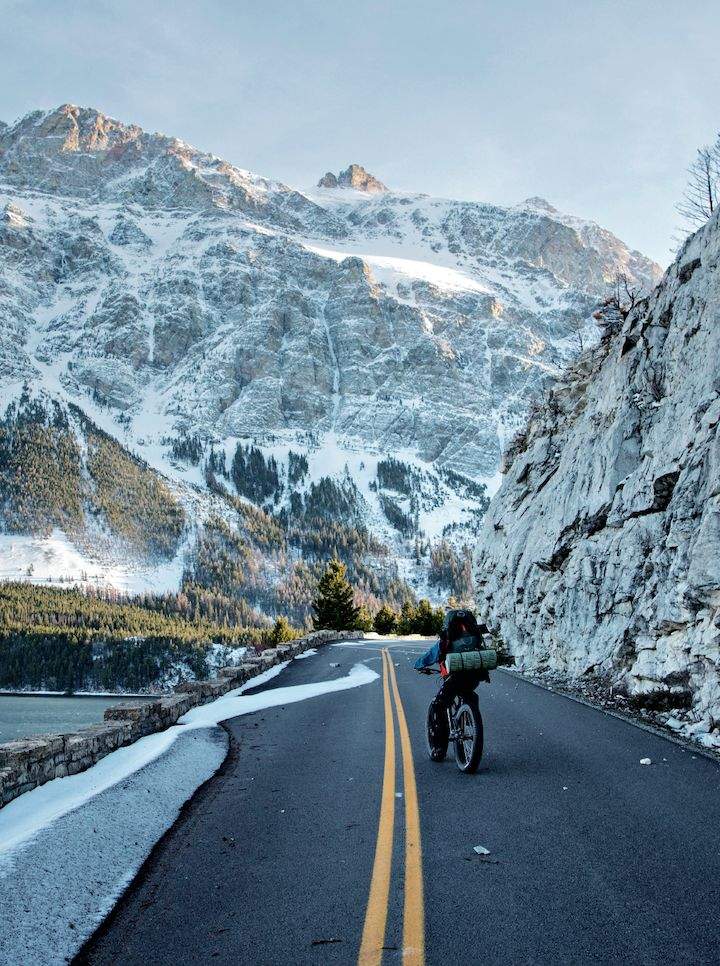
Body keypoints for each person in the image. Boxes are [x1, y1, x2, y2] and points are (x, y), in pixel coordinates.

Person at [414, 608, 490, 759]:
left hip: (454, 679)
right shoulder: (476, 637)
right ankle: (469, 721)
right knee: (469, 696)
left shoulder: (447, 638)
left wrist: (418, 665)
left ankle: (438, 748)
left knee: (438, 705)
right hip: (474, 677)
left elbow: (430, 656)